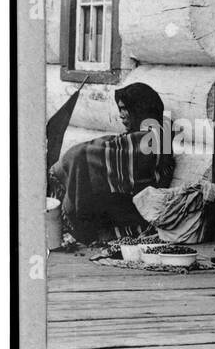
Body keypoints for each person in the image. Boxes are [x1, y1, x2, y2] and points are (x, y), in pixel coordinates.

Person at [49, 82, 175, 244]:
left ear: (140, 109)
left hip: (143, 207)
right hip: (133, 201)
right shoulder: (146, 133)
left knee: (82, 159)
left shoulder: (152, 138)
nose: (121, 115)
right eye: (120, 109)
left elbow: (104, 151)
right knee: (88, 180)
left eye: (125, 109)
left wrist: (84, 155)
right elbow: (115, 149)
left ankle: (87, 231)